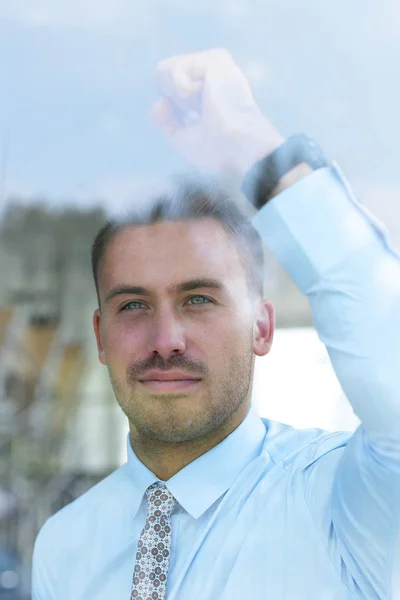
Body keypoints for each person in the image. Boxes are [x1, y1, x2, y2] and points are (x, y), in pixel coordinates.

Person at [31, 49, 400, 600]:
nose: (166, 341)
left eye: (198, 299)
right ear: (101, 336)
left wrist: (254, 146)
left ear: (262, 328)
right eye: (133, 305)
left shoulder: (344, 503)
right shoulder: (63, 544)